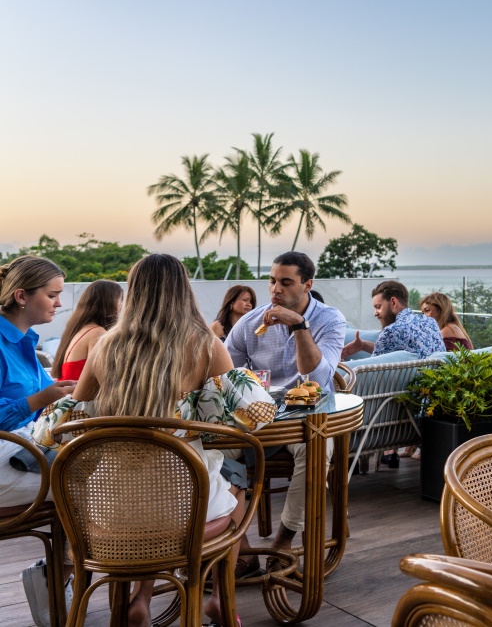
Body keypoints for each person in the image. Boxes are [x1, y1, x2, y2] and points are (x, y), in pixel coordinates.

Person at [34, 253, 275, 627]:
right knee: (236, 485)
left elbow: (72, 415)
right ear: (184, 293)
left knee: (148, 493)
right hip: (184, 509)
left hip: (106, 512)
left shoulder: (105, 347)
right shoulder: (205, 345)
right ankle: (218, 597)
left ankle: (139, 600)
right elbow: (248, 414)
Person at [224, 251, 345, 565]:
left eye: (286, 282)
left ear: (307, 285)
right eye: (272, 281)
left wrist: (299, 326)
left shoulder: (329, 319)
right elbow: (224, 379)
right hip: (257, 421)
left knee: (318, 449)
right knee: (211, 451)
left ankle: (284, 539)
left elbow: (318, 377)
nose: (275, 289)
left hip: (307, 421)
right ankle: (242, 548)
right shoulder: (249, 324)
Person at [2, 256, 77, 627]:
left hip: (21, 450)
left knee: (94, 469)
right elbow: (26, 407)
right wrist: (42, 400)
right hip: (6, 458)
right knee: (89, 481)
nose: (59, 303)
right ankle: (57, 573)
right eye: (53, 295)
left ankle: (58, 574)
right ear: (21, 296)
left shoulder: (25, 342)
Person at [342, 280, 445, 359]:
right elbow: (393, 352)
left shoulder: (392, 331)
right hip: (434, 382)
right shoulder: (430, 322)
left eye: (378, 307)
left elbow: (371, 372)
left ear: (393, 302)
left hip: (405, 386)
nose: (375, 313)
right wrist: (363, 345)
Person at [50, 279, 122, 381]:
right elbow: (104, 380)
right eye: (120, 301)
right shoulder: (97, 333)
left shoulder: (79, 329)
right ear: (109, 303)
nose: (121, 307)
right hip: (76, 396)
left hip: (67, 394)